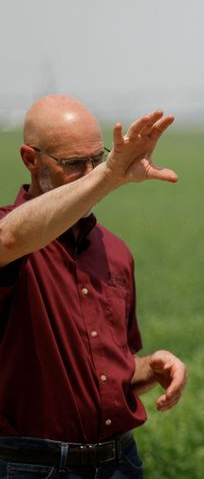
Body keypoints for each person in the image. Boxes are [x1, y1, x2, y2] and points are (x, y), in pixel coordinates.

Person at [0, 95, 188, 478]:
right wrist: (110, 175)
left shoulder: (115, 252)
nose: (90, 173)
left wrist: (148, 368)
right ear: (30, 159)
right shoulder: (9, 235)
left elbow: (103, 375)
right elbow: (12, 238)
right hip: (31, 467)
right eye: (74, 163)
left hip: (119, 463)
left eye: (96, 159)